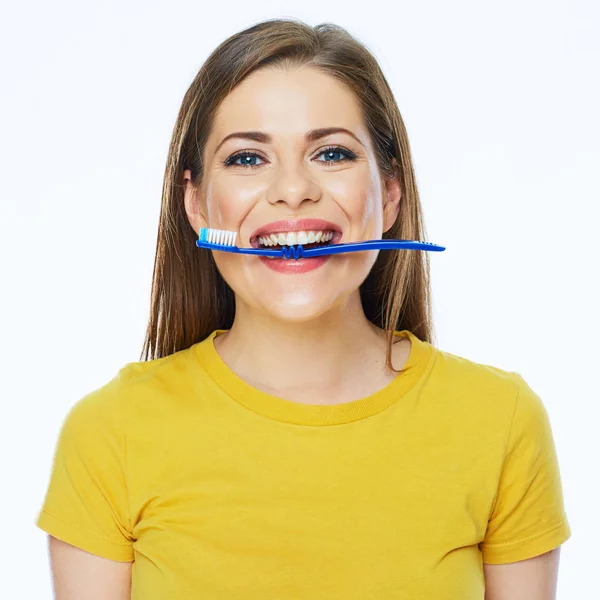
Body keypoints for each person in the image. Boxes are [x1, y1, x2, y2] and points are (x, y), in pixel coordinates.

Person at [35, 18, 571, 600]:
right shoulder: (110, 433)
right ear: (195, 205)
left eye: (332, 153)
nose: (292, 189)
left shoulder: (501, 420)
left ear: (389, 194)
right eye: (246, 160)